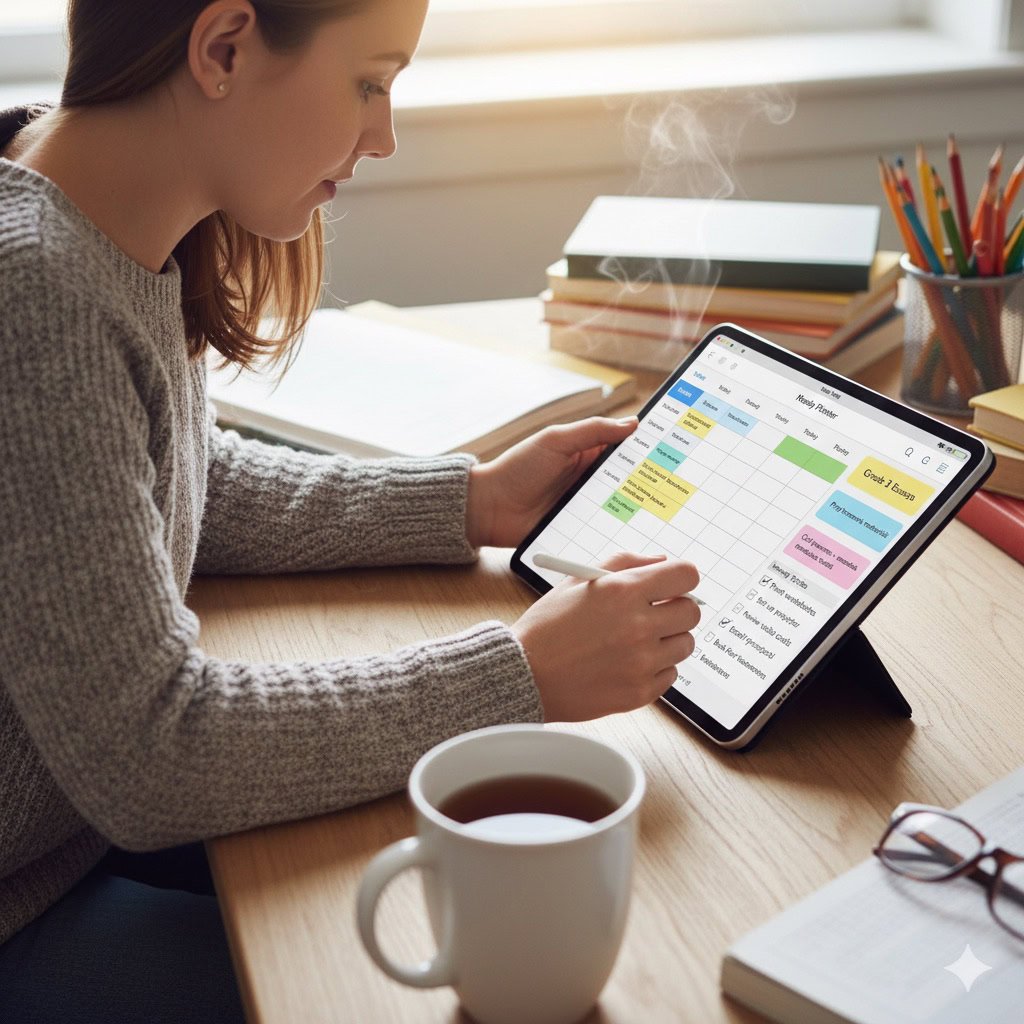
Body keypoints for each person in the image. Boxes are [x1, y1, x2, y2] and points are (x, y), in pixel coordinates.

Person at [0, 0, 701, 1019]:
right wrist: (521, 673)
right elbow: (153, 752)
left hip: (64, 840)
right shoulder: (35, 295)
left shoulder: (88, 207)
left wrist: (470, 499)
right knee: (396, 983)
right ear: (224, 48)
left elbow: (171, 485)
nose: (384, 136)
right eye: (371, 82)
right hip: (27, 902)